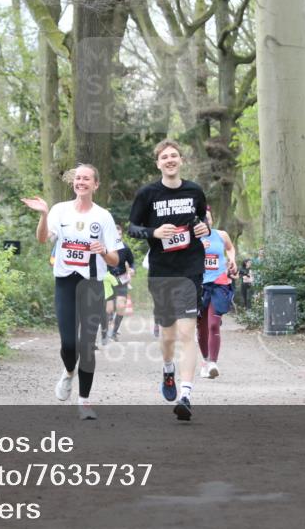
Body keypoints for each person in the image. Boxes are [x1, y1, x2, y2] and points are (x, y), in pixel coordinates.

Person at [22, 164, 120, 420]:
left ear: (95, 184)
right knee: (68, 343)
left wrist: (102, 252)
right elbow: (43, 239)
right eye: (78, 178)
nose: (81, 182)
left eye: (87, 178)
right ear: (73, 183)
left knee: (87, 346)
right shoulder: (59, 210)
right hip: (65, 282)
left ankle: (84, 401)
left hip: (92, 285)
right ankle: (68, 373)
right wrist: (43, 215)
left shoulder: (103, 216)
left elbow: (115, 260)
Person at [128, 139, 210, 421]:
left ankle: (186, 395)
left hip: (191, 268)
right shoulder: (148, 194)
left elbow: (205, 219)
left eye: (174, 155)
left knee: (188, 334)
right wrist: (153, 233)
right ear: (158, 163)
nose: (170, 160)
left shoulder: (194, 190)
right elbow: (133, 228)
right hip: (162, 270)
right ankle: (167, 368)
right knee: (169, 335)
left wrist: (204, 227)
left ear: (181, 160)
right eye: (165, 157)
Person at [198, 208, 238, 379]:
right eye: (203, 219)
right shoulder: (192, 239)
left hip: (219, 283)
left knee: (214, 324)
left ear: (212, 220)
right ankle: (206, 361)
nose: (206, 221)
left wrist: (232, 259)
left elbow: (230, 248)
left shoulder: (221, 235)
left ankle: (213, 363)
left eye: (209, 218)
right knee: (201, 327)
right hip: (198, 286)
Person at [102, 224, 135, 343]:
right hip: (108, 281)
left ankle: (114, 332)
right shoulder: (105, 247)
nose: (118, 237)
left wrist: (132, 269)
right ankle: (105, 333)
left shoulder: (125, 248)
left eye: (120, 234)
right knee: (109, 308)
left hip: (121, 279)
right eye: (116, 234)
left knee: (121, 306)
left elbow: (131, 262)